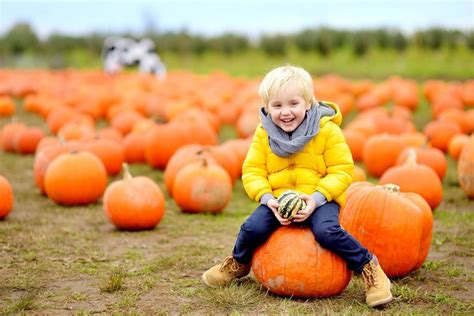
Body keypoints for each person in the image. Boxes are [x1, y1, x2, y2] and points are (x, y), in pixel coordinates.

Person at [201, 65, 393, 307]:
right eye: (277, 106)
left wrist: (316, 198)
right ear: (267, 107)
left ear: (309, 103)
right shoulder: (264, 134)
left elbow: (342, 170)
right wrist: (267, 199)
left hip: (320, 197)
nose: (286, 112)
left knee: (327, 231)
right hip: (278, 200)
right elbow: (252, 171)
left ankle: (369, 268)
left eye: (293, 104)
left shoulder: (327, 131)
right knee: (252, 228)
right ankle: (238, 263)